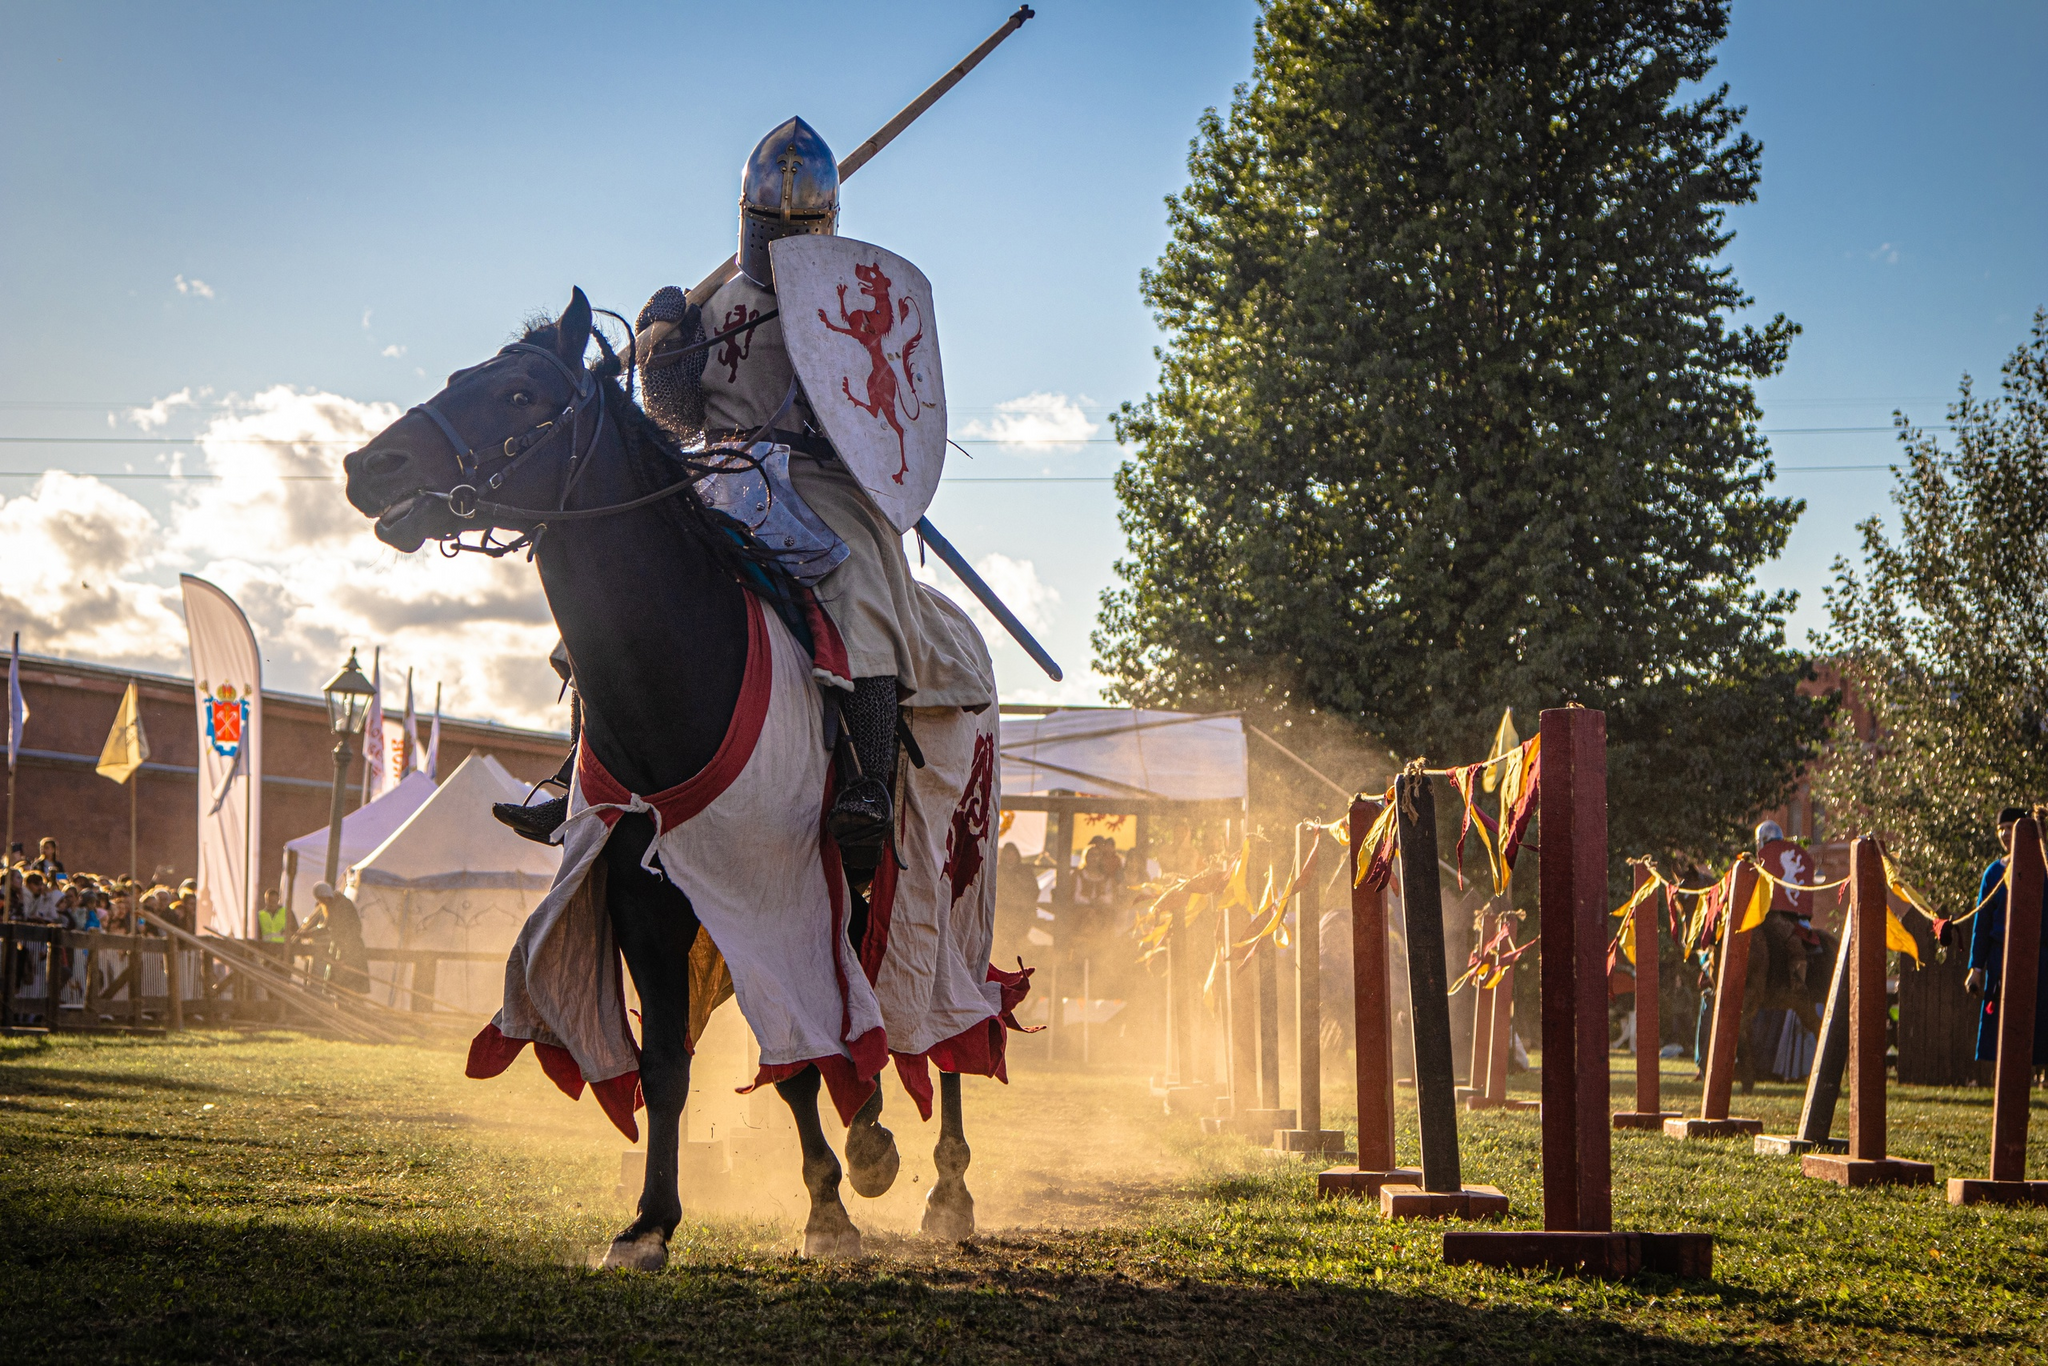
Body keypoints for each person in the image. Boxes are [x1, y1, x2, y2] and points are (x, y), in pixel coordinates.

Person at [494, 116, 992, 879]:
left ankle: (863, 782)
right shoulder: (716, 300)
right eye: (766, 223)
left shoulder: (847, 298)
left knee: (859, 581)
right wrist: (668, 340)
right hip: (721, 475)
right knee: (624, 593)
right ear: (746, 219)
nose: (775, 236)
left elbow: (870, 414)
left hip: (823, 478)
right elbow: (680, 417)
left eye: (789, 225)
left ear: (824, 224)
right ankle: (580, 772)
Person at [1965, 806, 2048, 1066]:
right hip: (2002, 959)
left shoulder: (2043, 868)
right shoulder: (1993, 873)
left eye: (2010, 828)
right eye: (2000, 829)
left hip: (2039, 958)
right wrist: (1976, 969)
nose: (2003, 834)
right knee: (2003, 1029)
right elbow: (1982, 924)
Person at [308, 882, 371, 996]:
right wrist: (308, 933)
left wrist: (344, 957)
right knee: (340, 990)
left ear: (324, 898)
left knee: (347, 989)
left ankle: (348, 1013)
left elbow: (348, 932)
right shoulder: (335, 904)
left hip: (350, 952)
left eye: (321, 900)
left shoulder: (340, 906)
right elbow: (327, 927)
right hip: (344, 951)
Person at [256, 887, 296, 965]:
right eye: (269, 901)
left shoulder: (287, 913)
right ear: (265, 900)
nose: (271, 904)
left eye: (274, 901)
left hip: (284, 954)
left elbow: (296, 930)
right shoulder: (261, 915)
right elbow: (258, 935)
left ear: (278, 900)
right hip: (267, 955)